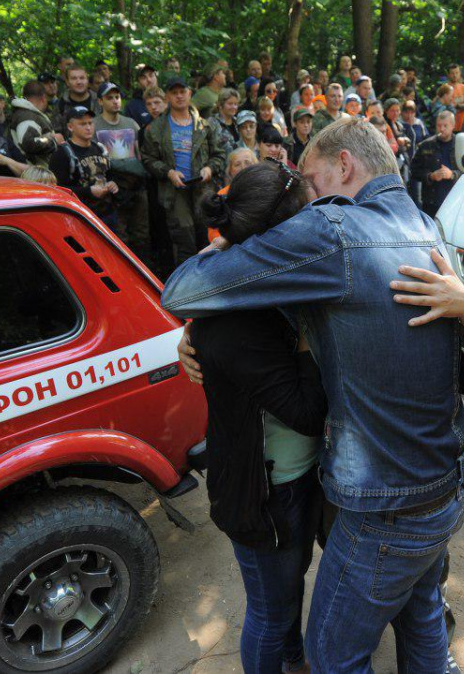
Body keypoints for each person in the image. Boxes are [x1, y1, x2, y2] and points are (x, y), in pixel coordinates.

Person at [162, 118, 464, 671]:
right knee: (420, 617)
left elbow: (180, 289)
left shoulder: (336, 233)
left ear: (344, 165)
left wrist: (219, 264)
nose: (309, 200)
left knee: (331, 651)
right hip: (448, 478)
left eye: (313, 182)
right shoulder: (428, 227)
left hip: (389, 503)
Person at [190, 162, 327, 674]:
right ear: (281, 233)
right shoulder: (238, 317)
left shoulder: (257, 289)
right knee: (271, 611)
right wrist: (311, 340)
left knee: (288, 591)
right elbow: (308, 412)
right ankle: (283, 656)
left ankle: (294, 660)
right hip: (269, 492)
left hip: (290, 477)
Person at [140, 77, 225, 265]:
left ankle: (213, 284)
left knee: (209, 237)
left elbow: (219, 155)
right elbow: (147, 159)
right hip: (174, 192)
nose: (179, 96)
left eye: (182, 92)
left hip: (203, 190)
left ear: (189, 93)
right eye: (174, 93)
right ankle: (187, 288)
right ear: (168, 96)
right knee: (184, 242)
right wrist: (168, 172)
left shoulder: (205, 125)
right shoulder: (155, 129)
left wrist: (209, 168)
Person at [94, 82, 151, 265]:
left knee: (142, 232)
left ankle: (145, 271)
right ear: (100, 101)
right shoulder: (94, 125)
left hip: (136, 185)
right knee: (120, 234)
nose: (115, 101)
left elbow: (139, 154)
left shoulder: (131, 123)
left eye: (117, 97)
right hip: (113, 187)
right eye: (109, 98)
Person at [52, 105, 120, 220]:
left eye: (90, 123)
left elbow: (109, 175)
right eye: (83, 124)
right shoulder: (62, 153)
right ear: (70, 127)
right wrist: (88, 191)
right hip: (81, 217)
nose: (88, 127)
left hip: (107, 212)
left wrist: (112, 184)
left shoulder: (100, 148)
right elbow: (57, 189)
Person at [411, 110, 461, 216]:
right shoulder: (426, 145)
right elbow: (414, 170)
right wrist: (430, 176)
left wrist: (452, 174)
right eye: (439, 126)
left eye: (445, 126)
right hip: (431, 202)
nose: (441, 129)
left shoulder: (461, 145)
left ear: (453, 126)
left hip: (454, 200)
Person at [8, 79, 64, 167]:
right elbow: (29, 143)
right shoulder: (26, 116)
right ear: (43, 98)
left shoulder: (28, 114)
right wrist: (54, 141)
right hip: (33, 173)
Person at [54, 65, 99, 135]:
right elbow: (56, 131)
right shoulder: (61, 104)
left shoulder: (99, 101)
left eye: (82, 78)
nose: (79, 82)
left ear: (87, 80)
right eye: (74, 78)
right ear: (67, 82)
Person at [208, 88, 243, 153]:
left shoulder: (239, 122)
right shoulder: (212, 122)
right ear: (220, 105)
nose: (234, 107)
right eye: (230, 104)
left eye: (235, 104)